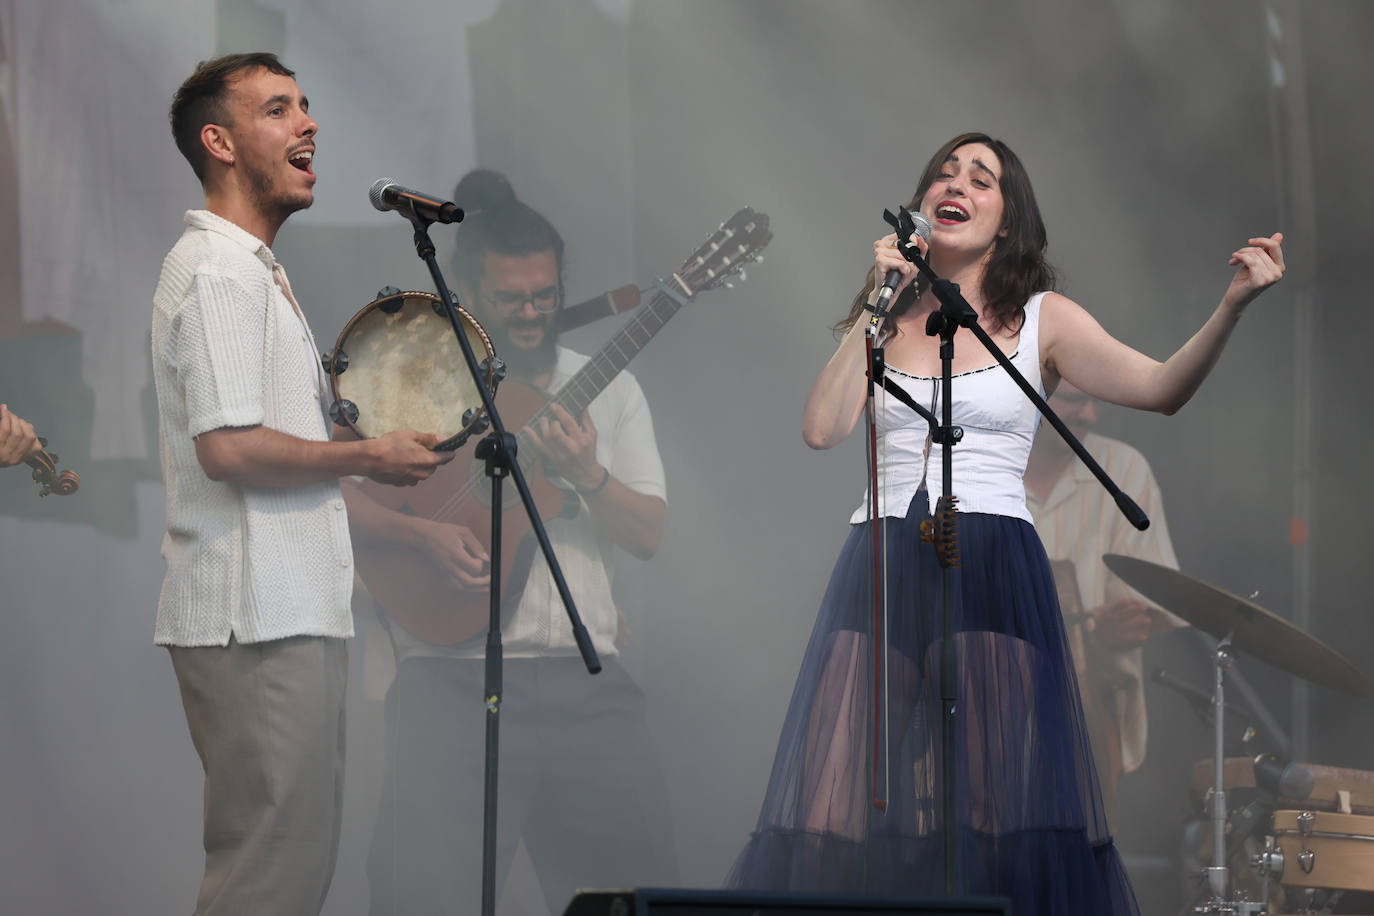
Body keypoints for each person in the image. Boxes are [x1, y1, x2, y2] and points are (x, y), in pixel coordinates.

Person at [725, 131, 1283, 915]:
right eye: (944, 173)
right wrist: (872, 307)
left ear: (1009, 221)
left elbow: (1161, 388)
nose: (956, 183)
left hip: (986, 551)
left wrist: (1232, 305)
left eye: (980, 177)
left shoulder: (1041, 318)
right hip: (882, 552)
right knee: (828, 805)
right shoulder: (884, 310)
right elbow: (822, 429)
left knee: (985, 816)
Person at [152, 52, 450, 916]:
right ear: (220, 141)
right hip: (257, 614)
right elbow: (230, 450)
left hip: (288, 608)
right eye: (279, 109)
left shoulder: (253, 270)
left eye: (307, 105)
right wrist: (367, 457)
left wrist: (350, 430)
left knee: (293, 870)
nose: (309, 123)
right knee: (268, 876)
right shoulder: (218, 273)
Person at [350, 170, 678, 915]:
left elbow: (650, 535)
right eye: (511, 300)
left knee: (627, 897)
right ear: (466, 290)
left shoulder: (610, 390)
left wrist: (588, 475)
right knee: (422, 898)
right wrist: (420, 535)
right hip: (447, 682)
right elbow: (334, 497)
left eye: (546, 296)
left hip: (584, 683)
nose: (532, 315)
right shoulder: (412, 377)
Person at [1023, 381, 1185, 826]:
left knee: (1082, 853)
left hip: (1093, 711)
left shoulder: (1125, 468)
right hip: (992, 703)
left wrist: (1121, 628)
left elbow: (1147, 605)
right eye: (1077, 401)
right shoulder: (982, 465)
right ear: (1030, 394)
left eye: (1097, 402)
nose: (1091, 415)